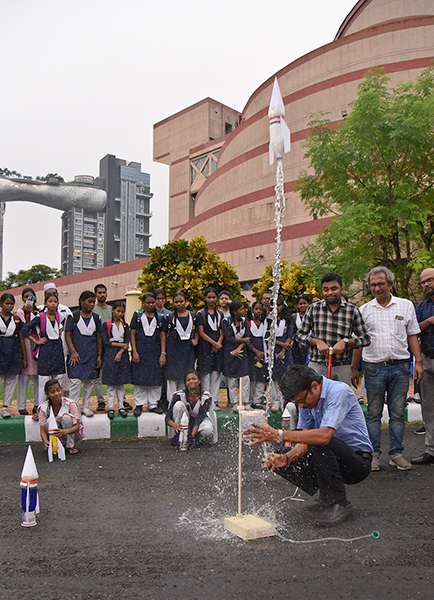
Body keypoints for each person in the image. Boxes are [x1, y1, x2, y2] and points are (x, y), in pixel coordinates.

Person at [245, 365, 373, 527]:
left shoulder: (339, 392)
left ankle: (338, 503)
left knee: (319, 441)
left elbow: (324, 436)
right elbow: (304, 442)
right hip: (332, 454)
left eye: (301, 401)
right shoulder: (308, 402)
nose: (301, 406)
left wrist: (278, 434)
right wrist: (286, 458)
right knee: (279, 455)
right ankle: (327, 496)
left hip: (357, 463)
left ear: (314, 386)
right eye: (296, 402)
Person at [352, 266, 423, 471]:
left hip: (400, 367)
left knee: (398, 413)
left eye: (380, 284)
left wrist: (417, 362)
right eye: (373, 284)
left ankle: (396, 453)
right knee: (373, 413)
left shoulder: (405, 306)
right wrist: (354, 368)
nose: (376, 288)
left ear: (390, 284)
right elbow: (359, 341)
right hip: (373, 368)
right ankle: (374, 454)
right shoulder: (364, 310)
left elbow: (412, 334)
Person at [295, 272, 370, 387]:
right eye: (326, 289)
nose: (330, 292)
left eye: (334, 288)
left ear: (341, 289)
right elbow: (299, 335)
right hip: (317, 364)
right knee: (315, 401)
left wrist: (346, 342)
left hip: (342, 366)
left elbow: (365, 339)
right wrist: (316, 341)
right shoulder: (313, 309)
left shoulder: (352, 311)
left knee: (341, 401)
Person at [21, 291, 66, 407]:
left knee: (59, 379)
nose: (53, 304)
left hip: (57, 351)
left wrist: (60, 331)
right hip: (45, 351)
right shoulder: (40, 317)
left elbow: (65, 324)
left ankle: (57, 406)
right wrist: (36, 341)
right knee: (43, 382)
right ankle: (42, 407)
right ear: (45, 303)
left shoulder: (58, 316)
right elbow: (24, 330)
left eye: (55, 302)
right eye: (50, 301)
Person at [65, 291, 103, 417]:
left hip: (91, 354)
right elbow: (67, 335)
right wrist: (73, 352)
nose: (92, 304)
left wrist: (99, 355)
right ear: (82, 302)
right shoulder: (73, 317)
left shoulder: (96, 318)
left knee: (90, 381)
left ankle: (85, 407)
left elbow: (98, 338)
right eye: (89, 301)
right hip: (77, 355)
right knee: (75, 382)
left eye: (93, 302)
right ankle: (73, 407)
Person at [410, 268, 434, 465]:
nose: (426, 284)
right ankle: (431, 450)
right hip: (426, 360)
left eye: (430, 280)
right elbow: (414, 330)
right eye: (423, 282)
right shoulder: (421, 306)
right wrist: (430, 321)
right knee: (429, 407)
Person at [130, 292, 166, 416]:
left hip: (155, 352)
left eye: (152, 302)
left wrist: (163, 353)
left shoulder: (160, 317)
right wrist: (134, 351)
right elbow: (132, 333)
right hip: (141, 351)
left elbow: (162, 335)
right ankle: (139, 404)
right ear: (143, 303)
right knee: (140, 379)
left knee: (155, 379)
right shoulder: (137, 315)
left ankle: (153, 404)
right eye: (148, 302)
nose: (150, 305)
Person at [166, 370, 216, 448]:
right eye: (188, 380)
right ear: (185, 383)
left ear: (199, 381)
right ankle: (180, 435)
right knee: (178, 405)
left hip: (199, 423)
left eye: (194, 379)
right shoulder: (179, 395)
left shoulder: (206, 397)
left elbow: (200, 417)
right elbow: (168, 417)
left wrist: (190, 438)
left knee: (207, 429)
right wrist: (175, 425)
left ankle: (197, 439)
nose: (191, 381)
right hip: (184, 423)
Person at [164, 292, 198, 401]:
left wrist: (196, 339)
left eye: (181, 301)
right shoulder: (169, 317)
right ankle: (172, 403)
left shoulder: (192, 316)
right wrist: (163, 352)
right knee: (172, 378)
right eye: (176, 302)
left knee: (187, 376)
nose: (179, 304)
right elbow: (163, 335)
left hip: (187, 350)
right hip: (173, 350)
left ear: (186, 302)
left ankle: (185, 401)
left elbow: (198, 330)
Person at [101, 301, 131, 419]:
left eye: (122, 312)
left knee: (121, 383)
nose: (120, 314)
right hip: (110, 354)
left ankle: (121, 406)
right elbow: (105, 342)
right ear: (113, 310)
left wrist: (121, 351)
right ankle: (111, 407)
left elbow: (126, 342)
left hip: (122, 355)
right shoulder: (107, 325)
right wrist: (119, 346)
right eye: (118, 311)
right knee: (111, 383)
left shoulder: (125, 326)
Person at [197, 287, 224, 411]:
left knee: (216, 373)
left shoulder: (220, 314)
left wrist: (218, 343)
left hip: (218, 346)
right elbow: (201, 332)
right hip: (205, 346)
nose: (211, 300)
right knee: (205, 374)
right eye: (209, 297)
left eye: (214, 297)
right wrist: (214, 343)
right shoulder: (200, 314)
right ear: (205, 298)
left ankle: (214, 400)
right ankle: (205, 401)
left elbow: (223, 330)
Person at [38, 379, 81, 455]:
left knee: (66, 418)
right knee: (49, 421)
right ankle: (54, 445)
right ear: (47, 394)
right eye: (52, 392)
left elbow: (77, 426)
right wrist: (46, 442)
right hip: (54, 433)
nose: (56, 394)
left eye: (58, 390)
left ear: (61, 390)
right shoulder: (43, 408)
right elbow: (42, 430)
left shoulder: (70, 403)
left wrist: (65, 431)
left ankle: (70, 446)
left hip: (67, 431)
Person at [0, 293, 26, 418]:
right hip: (0, 351)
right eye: (7, 303)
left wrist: (24, 357)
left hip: (13, 352)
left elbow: (22, 337)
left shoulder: (16, 319)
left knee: (10, 382)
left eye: (11, 304)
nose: (9, 306)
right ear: (1, 304)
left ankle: (5, 407)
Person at [222, 300, 251, 410]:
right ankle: (234, 403)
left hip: (242, 351)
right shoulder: (226, 321)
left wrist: (239, 347)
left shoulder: (244, 321)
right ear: (234, 311)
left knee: (245, 377)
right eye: (241, 309)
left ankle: (246, 402)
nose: (243, 311)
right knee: (232, 379)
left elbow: (248, 338)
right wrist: (243, 340)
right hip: (229, 352)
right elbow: (229, 338)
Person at [268, 297, 294, 412]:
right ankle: (276, 401)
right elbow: (267, 336)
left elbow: (290, 334)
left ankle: (284, 400)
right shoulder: (269, 319)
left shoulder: (288, 319)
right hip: (273, 348)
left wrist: (284, 349)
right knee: (273, 376)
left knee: (285, 376)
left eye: (279, 305)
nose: (277, 308)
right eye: (274, 305)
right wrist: (281, 344)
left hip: (286, 349)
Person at [16, 287, 39, 416]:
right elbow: (26, 328)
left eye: (31, 296)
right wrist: (28, 313)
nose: (28, 299)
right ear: (23, 298)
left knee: (37, 378)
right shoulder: (21, 312)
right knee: (24, 378)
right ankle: (21, 405)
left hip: (36, 345)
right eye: (26, 297)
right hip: (25, 344)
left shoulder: (39, 311)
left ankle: (37, 404)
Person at [91, 283, 112, 412]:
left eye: (104, 292)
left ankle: (119, 401)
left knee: (113, 374)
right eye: (99, 292)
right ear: (95, 294)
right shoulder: (92, 310)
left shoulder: (111, 309)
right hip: (97, 345)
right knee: (97, 376)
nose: (102, 294)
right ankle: (100, 401)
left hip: (111, 346)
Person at [246, 301, 267, 409]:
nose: (258, 311)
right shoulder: (248, 323)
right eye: (256, 309)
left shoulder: (266, 324)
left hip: (263, 354)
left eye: (260, 309)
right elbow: (247, 340)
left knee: (261, 378)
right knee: (252, 378)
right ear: (252, 310)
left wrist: (262, 353)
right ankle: (249, 400)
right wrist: (255, 352)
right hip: (252, 354)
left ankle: (257, 400)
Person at [291, 293, 311, 366]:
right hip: (297, 346)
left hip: (309, 343)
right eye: (300, 304)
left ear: (309, 303)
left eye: (305, 303)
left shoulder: (312, 315)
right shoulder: (294, 317)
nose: (302, 305)